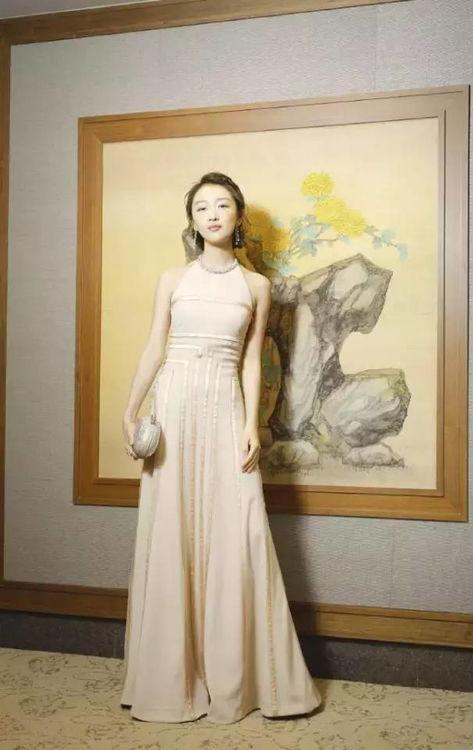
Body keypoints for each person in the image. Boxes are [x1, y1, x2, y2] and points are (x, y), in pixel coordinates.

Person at [119, 172, 322, 724]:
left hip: (225, 406)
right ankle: (171, 679)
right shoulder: (172, 279)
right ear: (192, 220)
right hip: (176, 405)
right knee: (174, 525)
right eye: (202, 207)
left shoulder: (255, 286)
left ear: (238, 216)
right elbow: (154, 346)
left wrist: (253, 422)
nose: (212, 214)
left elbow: (253, 359)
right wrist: (130, 410)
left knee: (238, 525)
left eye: (222, 205)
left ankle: (239, 680)